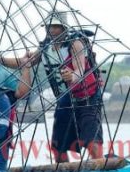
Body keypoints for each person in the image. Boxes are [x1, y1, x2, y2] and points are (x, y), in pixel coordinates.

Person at [18, 11, 104, 163]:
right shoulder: (45, 48)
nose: (51, 30)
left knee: (92, 141)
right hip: (66, 98)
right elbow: (26, 62)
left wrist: (72, 77)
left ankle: (100, 166)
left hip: (87, 96)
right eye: (48, 26)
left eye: (55, 26)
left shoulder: (75, 43)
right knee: (58, 145)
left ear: (64, 28)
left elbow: (79, 69)